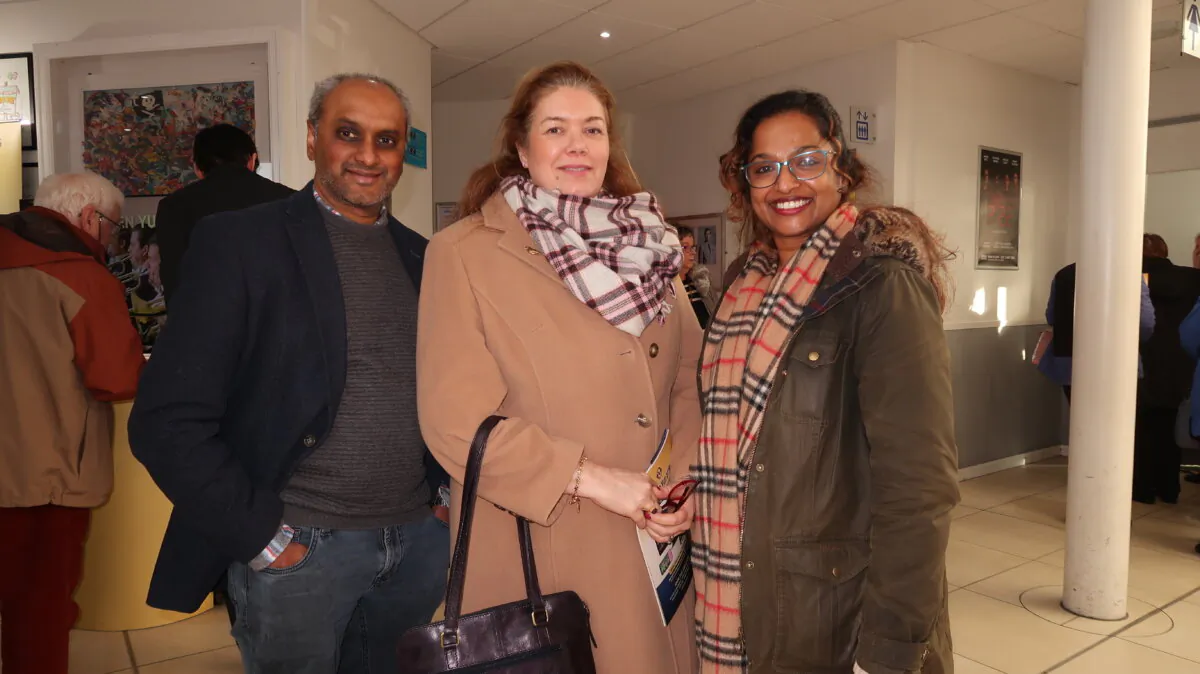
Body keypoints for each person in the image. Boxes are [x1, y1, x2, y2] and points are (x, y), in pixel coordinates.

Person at [128, 73, 450, 674]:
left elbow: (447, 390)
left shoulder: (426, 257)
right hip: (300, 547)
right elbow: (165, 421)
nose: (367, 155)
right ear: (311, 138)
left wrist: (443, 501)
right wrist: (264, 539)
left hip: (415, 545)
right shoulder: (242, 242)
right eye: (347, 133)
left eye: (387, 140)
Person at [417, 61, 700, 673]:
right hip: (540, 540)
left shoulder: (648, 247)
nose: (577, 144)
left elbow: (689, 381)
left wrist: (681, 483)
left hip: (653, 542)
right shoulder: (463, 251)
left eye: (593, 129)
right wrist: (595, 479)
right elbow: (453, 420)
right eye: (555, 129)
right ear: (521, 147)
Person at [692, 90, 959, 674]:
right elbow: (731, 438)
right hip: (734, 595)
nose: (786, 183)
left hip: (833, 615)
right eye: (765, 168)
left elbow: (919, 487)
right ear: (746, 184)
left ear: (842, 167)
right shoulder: (743, 287)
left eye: (806, 161)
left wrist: (889, 649)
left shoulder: (883, 287)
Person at [0, 172, 144, 674]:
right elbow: (118, 378)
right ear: (89, 218)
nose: (112, 238)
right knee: (38, 614)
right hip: (48, 476)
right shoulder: (81, 275)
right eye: (113, 227)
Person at [155, 123, 294, 306]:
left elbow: (176, 287)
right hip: (280, 327)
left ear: (197, 168)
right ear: (252, 160)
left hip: (206, 326)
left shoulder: (173, 207)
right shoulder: (292, 200)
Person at [1133, 234, 1200, 504]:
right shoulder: (1192, 278)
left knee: (1144, 428)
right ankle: (1169, 488)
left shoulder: (1135, 278)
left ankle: (1143, 490)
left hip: (1144, 363)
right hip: (1182, 365)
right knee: (1172, 428)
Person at [1038, 263, 1155, 400]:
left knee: (1080, 416)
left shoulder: (1064, 273)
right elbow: (1146, 322)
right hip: (1117, 362)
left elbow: (1052, 317)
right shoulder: (1129, 272)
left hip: (1070, 361)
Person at [679, 228, 715, 328]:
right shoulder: (667, 287)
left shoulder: (701, 279)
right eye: (685, 247)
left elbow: (714, 313)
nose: (693, 252)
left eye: (693, 247)